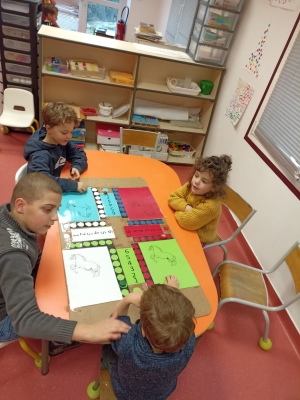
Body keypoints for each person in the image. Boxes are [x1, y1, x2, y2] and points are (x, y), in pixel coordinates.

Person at [0, 173, 130, 354]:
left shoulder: (9, 214)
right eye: (47, 209)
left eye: (56, 209)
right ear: (20, 205)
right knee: (54, 306)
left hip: (10, 289)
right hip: (6, 317)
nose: (55, 217)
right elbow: (24, 320)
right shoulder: (13, 254)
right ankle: (56, 341)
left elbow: (31, 253)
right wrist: (87, 331)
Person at [101, 276, 195, 400]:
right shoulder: (188, 342)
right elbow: (173, 324)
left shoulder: (129, 343)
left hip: (125, 393)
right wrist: (171, 294)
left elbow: (115, 322)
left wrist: (127, 299)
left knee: (107, 349)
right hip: (160, 394)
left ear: (144, 332)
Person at [24, 102, 88, 193]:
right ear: (49, 129)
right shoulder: (39, 155)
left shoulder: (60, 141)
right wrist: (72, 185)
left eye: (71, 132)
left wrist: (77, 166)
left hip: (54, 187)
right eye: (64, 133)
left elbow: (78, 153)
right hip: (40, 193)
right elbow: (42, 182)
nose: (69, 137)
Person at [168, 155, 232, 244]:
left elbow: (186, 222)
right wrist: (187, 208)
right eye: (196, 175)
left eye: (204, 181)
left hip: (198, 238)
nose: (197, 181)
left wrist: (177, 209)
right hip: (187, 227)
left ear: (214, 187)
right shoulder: (192, 185)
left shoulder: (211, 206)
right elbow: (172, 197)